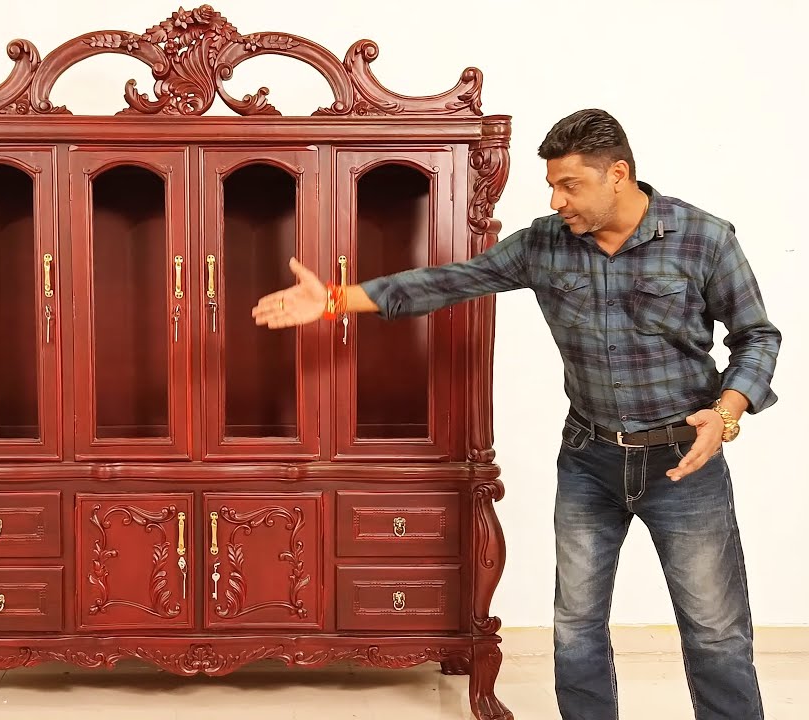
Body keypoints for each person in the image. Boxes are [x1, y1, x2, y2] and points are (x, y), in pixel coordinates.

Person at [251, 108, 779, 719]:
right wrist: (337, 300)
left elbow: (757, 336)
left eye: (569, 185)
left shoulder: (704, 238)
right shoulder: (544, 244)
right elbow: (450, 281)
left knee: (715, 631)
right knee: (576, 626)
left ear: (618, 174)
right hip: (589, 460)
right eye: (551, 186)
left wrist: (728, 411)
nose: (556, 201)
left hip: (685, 461)